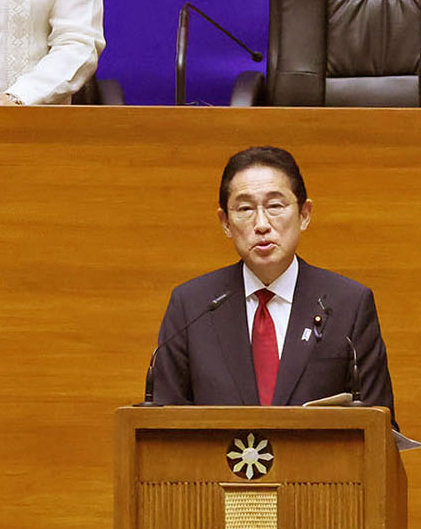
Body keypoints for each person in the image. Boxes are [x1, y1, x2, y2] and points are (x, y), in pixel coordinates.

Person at [146, 146, 395, 413]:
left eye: (275, 206)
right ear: (226, 223)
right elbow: (163, 426)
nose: (261, 224)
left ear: (304, 215)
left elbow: (379, 426)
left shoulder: (349, 304)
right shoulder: (191, 306)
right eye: (245, 208)